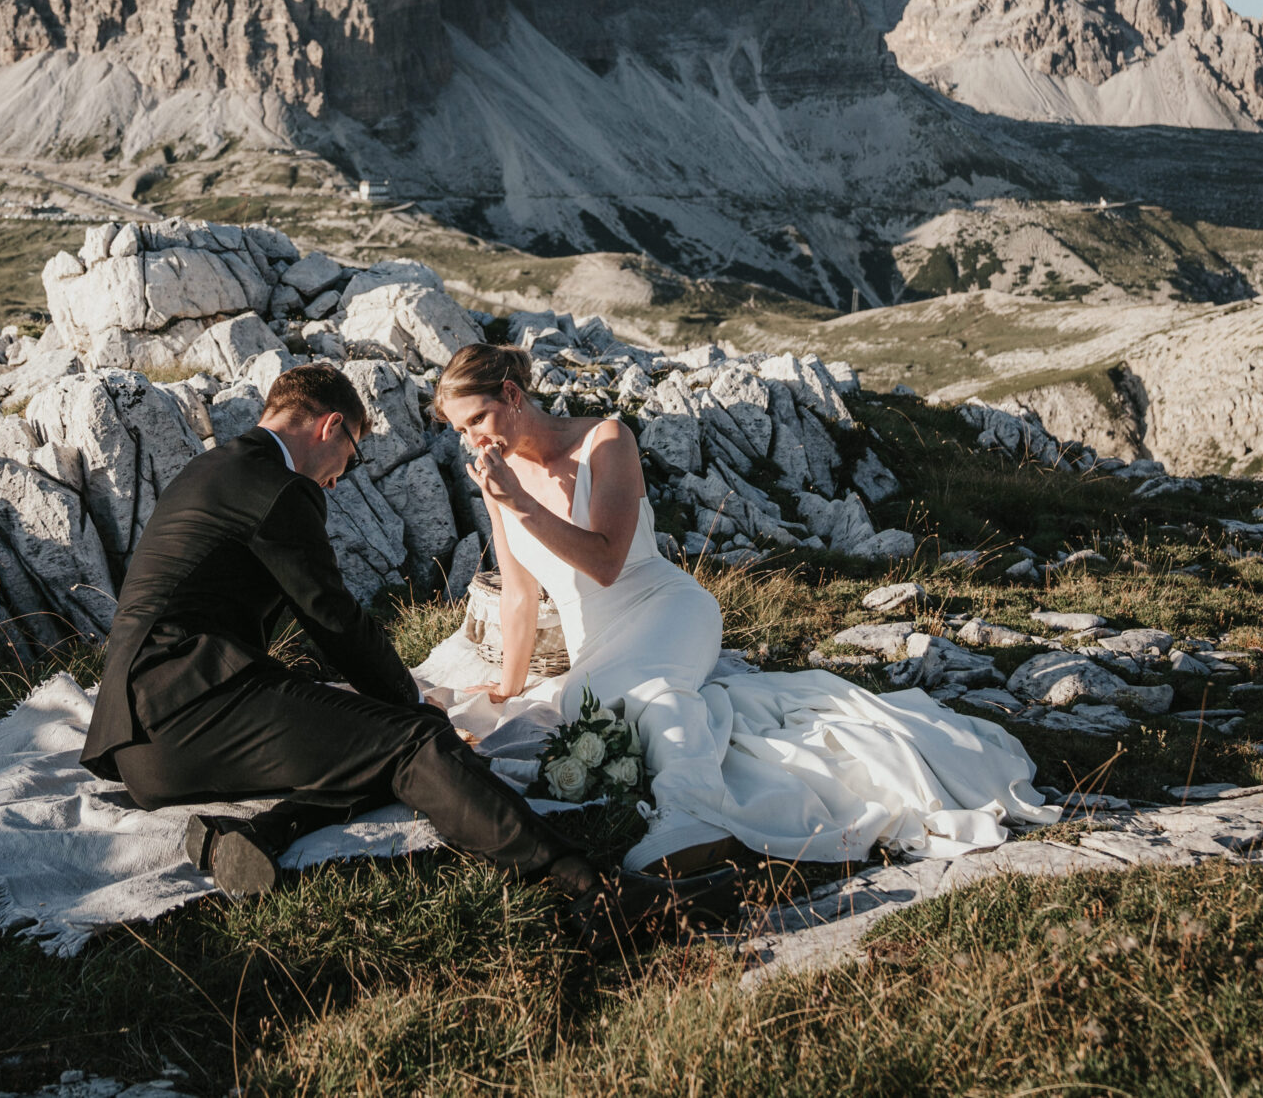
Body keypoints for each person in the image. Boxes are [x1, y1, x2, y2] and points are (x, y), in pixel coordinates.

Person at [79, 361, 732, 940]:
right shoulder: (281, 488)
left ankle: (261, 832)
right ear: (331, 426)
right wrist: (418, 708)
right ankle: (595, 894)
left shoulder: (216, 467)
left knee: (370, 738)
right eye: (351, 457)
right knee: (414, 743)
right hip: (191, 713)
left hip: (140, 742)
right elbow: (334, 619)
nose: (337, 482)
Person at [430, 343, 1055, 873]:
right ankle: (695, 801)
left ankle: (689, 815)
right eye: (459, 430)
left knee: (647, 693)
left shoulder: (605, 439)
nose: (471, 438)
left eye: (476, 418)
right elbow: (519, 592)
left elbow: (606, 562)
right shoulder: (500, 478)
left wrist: (522, 504)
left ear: (512, 394)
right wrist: (509, 688)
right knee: (580, 706)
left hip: (664, 607)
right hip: (597, 641)